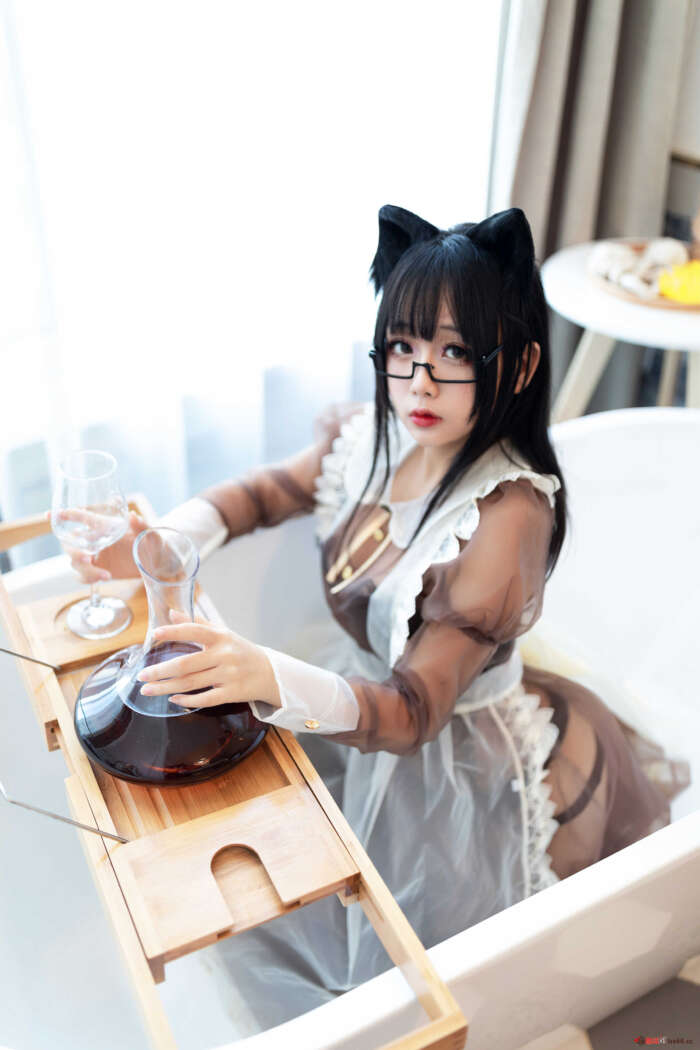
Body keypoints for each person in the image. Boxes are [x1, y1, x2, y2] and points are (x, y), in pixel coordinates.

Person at [56, 205, 689, 1030]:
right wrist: (161, 545)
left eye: (455, 354)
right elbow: (262, 494)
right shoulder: (374, 439)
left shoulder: (507, 516)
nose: (420, 381)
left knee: (379, 980)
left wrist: (266, 673)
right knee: (245, 859)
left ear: (521, 364)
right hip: (365, 699)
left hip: (453, 755)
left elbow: (414, 712)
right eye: (402, 348)